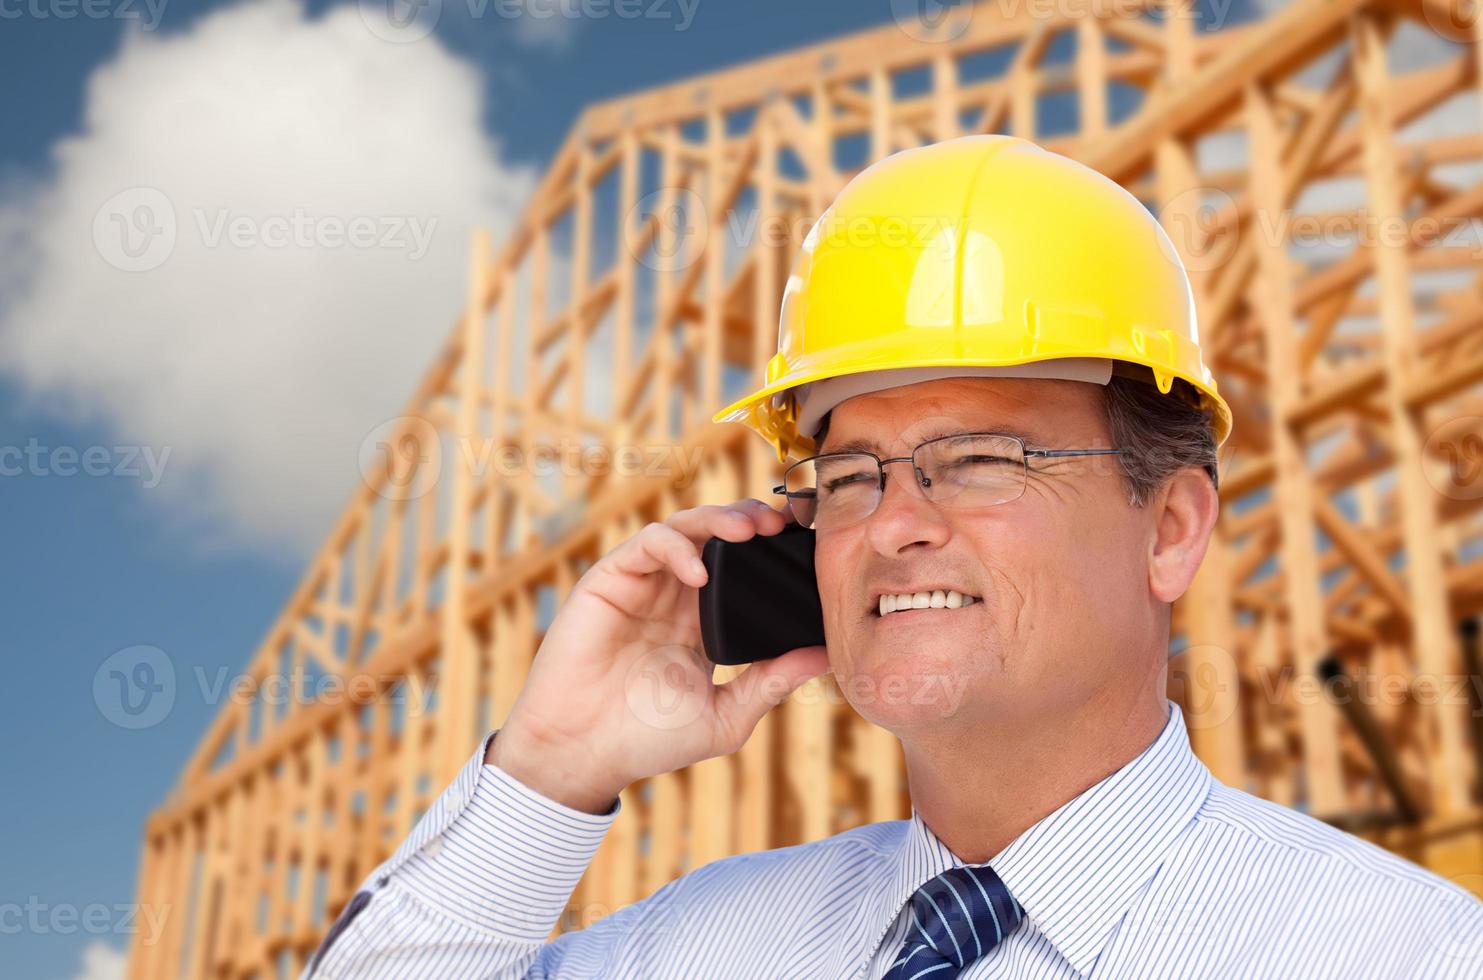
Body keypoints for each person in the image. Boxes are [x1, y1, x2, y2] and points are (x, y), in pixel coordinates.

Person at [304, 135, 1483, 978]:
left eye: (978, 460)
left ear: (1170, 528)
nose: (892, 521)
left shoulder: (1401, 952)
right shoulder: (701, 944)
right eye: (852, 474)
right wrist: (549, 770)